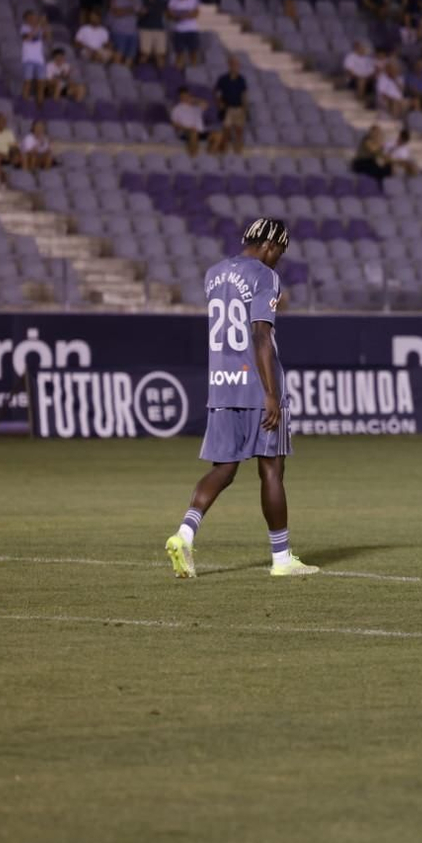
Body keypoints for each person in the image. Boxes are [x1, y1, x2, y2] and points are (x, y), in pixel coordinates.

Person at [164, 218, 319, 580]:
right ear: (268, 244)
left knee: (224, 468)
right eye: (280, 251)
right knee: (272, 469)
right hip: (256, 385)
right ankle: (281, 559)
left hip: (221, 382)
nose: (279, 258)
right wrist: (270, 393)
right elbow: (261, 335)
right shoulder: (265, 276)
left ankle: (184, 534)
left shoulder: (214, 274)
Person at [214, 56, 250, 154]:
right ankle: (223, 152)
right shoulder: (223, 79)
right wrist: (219, 103)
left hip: (239, 108)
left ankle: (238, 152)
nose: (235, 67)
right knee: (226, 131)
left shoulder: (241, 79)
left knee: (239, 131)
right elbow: (217, 92)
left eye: (237, 65)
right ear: (229, 65)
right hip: (227, 108)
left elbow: (244, 95)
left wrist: (245, 109)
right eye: (233, 64)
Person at [171, 89, 222, 156]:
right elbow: (174, 124)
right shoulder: (177, 109)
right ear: (180, 97)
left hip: (200, 131)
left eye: (187, 96)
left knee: (218, 134)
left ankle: (209, 155)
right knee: (194, 133)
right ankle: (193, 156)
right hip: (186, 131)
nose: (186, 98)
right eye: (184, 96)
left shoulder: (196, 107)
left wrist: (195, 100)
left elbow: (205, 104)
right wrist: (187, 128)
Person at [168, 0, 203, 68]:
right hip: (179, 30)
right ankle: (178, 72)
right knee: (179, 53)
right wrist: (185, 15)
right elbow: (170, 14)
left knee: (193, 52)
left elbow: (196, 13)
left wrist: (180, 15)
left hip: (192, 29)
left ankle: (194, 70)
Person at [20, 10, 48, 101]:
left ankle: (40, 105)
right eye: (30, 17)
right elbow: (28, 37)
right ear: (26, 19)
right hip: (28, 59)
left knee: (41, 83)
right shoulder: (24, 28)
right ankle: (25, 102)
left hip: (39, 59)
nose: (32, 19)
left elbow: (47, 37)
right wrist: (39, 25)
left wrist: (45, 25)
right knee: (28, 81)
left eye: (33, 17)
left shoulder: (39, 27)